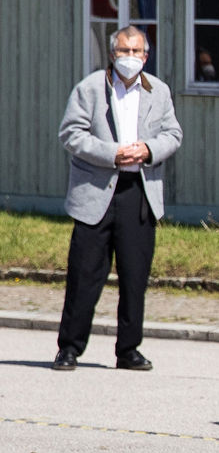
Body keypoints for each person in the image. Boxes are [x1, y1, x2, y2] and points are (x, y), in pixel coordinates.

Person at [53, 26, 183, 372]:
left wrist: (148, 149)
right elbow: (71, 133)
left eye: (136, 51)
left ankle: (128, 349)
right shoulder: (90, 88)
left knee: (134, 276)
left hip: (138, 192)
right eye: (124, 51)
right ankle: (69, 348)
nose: (130, 57)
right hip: (96, 193)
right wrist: (112, 153)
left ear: (146, 56)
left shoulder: (159, 91)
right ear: (113, 54)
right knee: (84, 275)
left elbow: (173, 134)